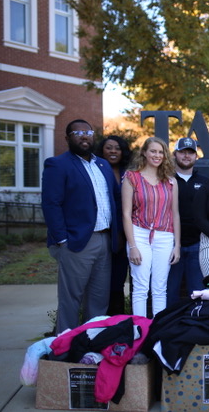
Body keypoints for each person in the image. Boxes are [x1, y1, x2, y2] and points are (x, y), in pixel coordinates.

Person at [42, 119, 120, 334]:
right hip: (77, 241)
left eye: (88, 132)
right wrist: (62, 240)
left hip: (105, 240)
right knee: (71, 299)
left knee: (98, 298)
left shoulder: (103, 165)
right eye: (78, 133)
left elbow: (115, 198)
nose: (84, 136)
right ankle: (65, 345)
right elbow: (51, 204)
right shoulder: (57, 164)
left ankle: (91, 342)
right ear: (67, 138)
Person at [122, 137, 181, 317]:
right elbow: (126, 214)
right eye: (153, 151)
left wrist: (177, 246)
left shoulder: (171, 181)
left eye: (161, 152)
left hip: (165, 236)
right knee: (140, 287)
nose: (157, 155)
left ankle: (157, 331)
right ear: (144, 153)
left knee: (160, 288)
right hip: (139, 234)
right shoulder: (131, 177)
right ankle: (139, 330)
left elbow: (175, 214)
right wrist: (132, 246)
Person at [167, 138, 208, 306]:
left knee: (197, 293)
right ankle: (168, 323)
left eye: (190, 153)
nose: (186, 156)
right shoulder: (166, 180)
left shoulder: (205, 182)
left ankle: (195, 322)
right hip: (169, 244)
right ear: (175, 154)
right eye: (182, 152)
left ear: (196, 156)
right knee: (169, 292)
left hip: (197, 245)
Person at [95, 135, 131, 315]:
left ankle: (118, 318)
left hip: (126, 233)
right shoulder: (95, 170)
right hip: (103, 231)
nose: (113, 151)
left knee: (118, 279)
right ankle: (100, 319)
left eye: (117, 148)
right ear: (102, 150)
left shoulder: (129, 172)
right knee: (100, 280)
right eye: (109, 148)